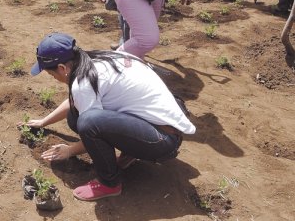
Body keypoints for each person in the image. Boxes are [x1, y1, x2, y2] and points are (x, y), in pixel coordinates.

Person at [23, 32, 195, 201]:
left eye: (51, 74)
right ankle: (130, 152)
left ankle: (109, 183)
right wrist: (44, 121)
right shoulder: (98, 59)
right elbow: (74, 101)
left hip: (163, 140)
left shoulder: (83, 82)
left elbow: (89, 122)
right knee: (75, 116)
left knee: (87, 122)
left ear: (62, 68)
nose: (53, 78)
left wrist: (69, 150)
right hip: (164, 124)